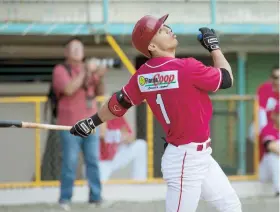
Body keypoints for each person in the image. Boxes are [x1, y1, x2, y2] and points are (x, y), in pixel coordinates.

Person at [69, 14, 242, 212]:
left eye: (165, 27)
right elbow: (227, 79)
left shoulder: (143, 74)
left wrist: (91, 122)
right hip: (186, 157)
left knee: (231, 205)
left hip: (197, 156)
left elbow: (118, 104)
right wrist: (214, 47)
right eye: (160, 30)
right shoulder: (187, 67)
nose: (168, 30)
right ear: (151, 46)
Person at [52, 37, 107, 210]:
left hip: (90, 124)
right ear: (66, 53)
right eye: (74, 48)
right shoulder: (60, 70)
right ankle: (65, 198)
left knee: (93, 161)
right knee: (70, 162)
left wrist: (99, 75)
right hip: (69, 125)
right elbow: (68, 89)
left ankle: (96, 198)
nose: (78, 51)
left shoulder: (89, 71)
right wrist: (85, 71)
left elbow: (100, 92)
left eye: (80, 48)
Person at [99, 113, 147, 181]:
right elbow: (102, 134)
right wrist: (118, 135)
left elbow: (130, 137)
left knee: (141, 145)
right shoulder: (96, 114)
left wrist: (123, 137)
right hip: (102, 160)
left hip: (115, 156)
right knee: (100, 185)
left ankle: (139, 182)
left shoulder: (116, 114)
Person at [248, 66, 279, 142]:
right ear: (271, 78)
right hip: (263, 129)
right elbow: (260, 112)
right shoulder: (265, 88)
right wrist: (265, 132)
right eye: (276, 77)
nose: (278, 81)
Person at [258, 103, 279, 197]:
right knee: (274, 155)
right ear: (274, 115)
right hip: (265, 170)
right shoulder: (268, 128)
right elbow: (271, 146)